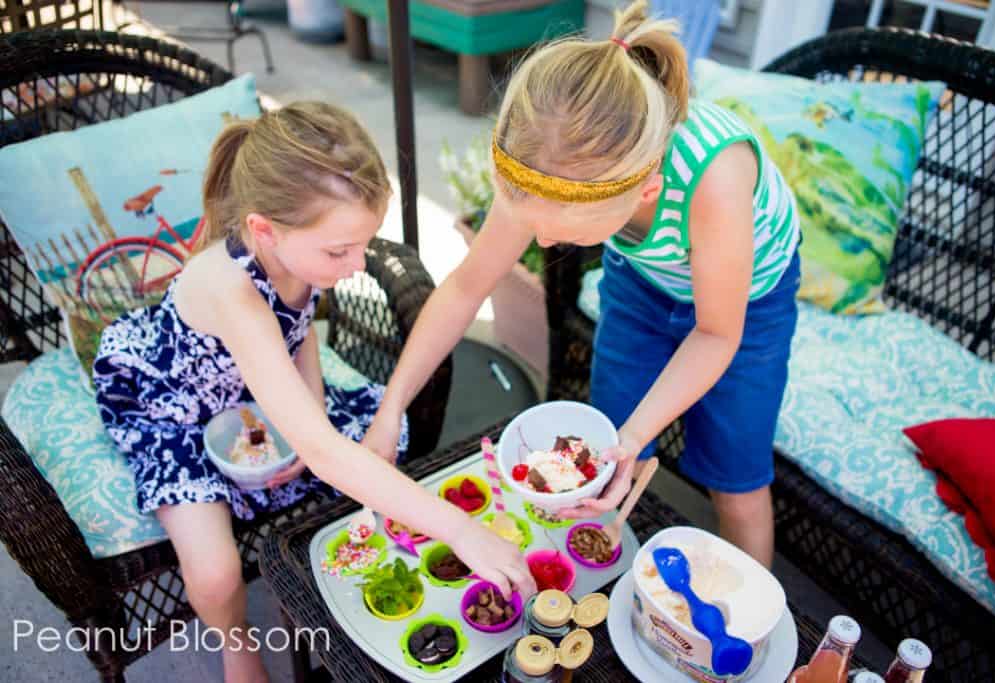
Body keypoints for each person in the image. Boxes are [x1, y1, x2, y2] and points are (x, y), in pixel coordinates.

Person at [93, 102, 535, 683]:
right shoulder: (233, 289)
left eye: (362, 244)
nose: (356, 266)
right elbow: (317, 432)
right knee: (217, 572)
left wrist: (312, 411)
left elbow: (297, 336)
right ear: (263, 231)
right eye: (340, 251)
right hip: (174, 405)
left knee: (382, 434)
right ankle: (237, 649)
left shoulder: (301, 257)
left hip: (253, 391)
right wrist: (458, 529)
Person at [364, 1, 801, 570]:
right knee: (610, 449)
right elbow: (466, 288)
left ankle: (752, 624)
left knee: (736, 482)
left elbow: (717, 334)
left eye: (560, 233)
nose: (541, 246)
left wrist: (639, 428)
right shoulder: (545, 163)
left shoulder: (716, 177)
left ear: (643, 193)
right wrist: (392, 406)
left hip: (747, 302)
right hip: (643, 282)